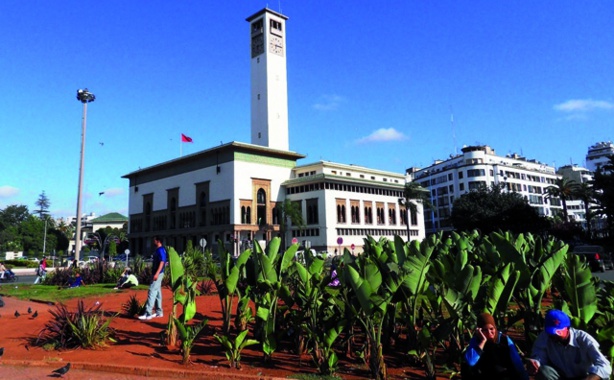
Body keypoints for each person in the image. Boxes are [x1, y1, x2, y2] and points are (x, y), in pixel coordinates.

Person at [527, 309, 611, 380]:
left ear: (567, 328)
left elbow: (605, 366)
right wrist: (535, 363)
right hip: (561, 376)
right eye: (551, 333)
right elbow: (539, 356)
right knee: (544, 371)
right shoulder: (545, 337)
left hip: (585, 377)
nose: (554, 336)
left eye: (558, 332)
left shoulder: (584, 339)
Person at [462, 312, 528, 380]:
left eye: (491, 329)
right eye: (485, 330)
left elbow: (519, 366)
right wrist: (483, 341)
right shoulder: (476, 340)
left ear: (495, 327)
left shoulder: (504, 340)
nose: (489, 333)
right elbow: (470, 362)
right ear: (480, 330)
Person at [138, 236, 167, 320]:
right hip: (157, 273)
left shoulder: (161, 250)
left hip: (158, 273)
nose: (153, 242)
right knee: (157, 292)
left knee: (152, 290)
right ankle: (159, 312)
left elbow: (162, 261)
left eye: (154, 240)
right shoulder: (159, 250)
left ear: (158, 241)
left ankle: (148, 313)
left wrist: (157, 273)